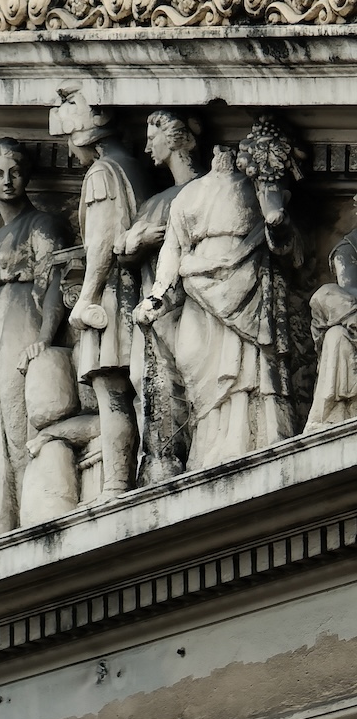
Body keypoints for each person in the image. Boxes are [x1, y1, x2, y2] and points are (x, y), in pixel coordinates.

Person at [133, 138, 298, 470]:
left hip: (247, 281)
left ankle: (251, 439)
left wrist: (276, 224)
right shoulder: (189, 195)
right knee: (194, 359)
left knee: (246, 369)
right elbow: (172, 249)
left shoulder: (259, 187)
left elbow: (285, 245)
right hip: (198, 289)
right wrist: (157, 296)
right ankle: (207, 451)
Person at [50, 90, 150, 495]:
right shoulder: (136, 168)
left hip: (114, 296)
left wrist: (87, 298)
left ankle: (116, 483)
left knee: (112, 390)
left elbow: (104, 241)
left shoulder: (102, 174)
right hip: (135, 289)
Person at [0, 138, 70, 537]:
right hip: (0, 331)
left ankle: (31, 508)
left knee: (18, 419)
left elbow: (55, 280)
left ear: (25, 176)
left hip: (26, 324)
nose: (7, 181)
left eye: (14, 172)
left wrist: (44, 337)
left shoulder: (43, 224)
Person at [122, 111, 205, 482]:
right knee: (145, 379)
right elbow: (122, 253)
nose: (146, 146)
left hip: (190, 305)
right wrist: (136, 241)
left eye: (152, 137)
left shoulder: (203, 191)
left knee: (186, 374)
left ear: (172, 139)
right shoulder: (153, 203)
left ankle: (190, 453)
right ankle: (159, 457)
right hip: (151, 305)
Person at [306, 199, 357, 430]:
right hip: (351, 317)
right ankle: (334, 415)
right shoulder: (347, 251)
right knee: (336, 335)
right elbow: (348, 292)